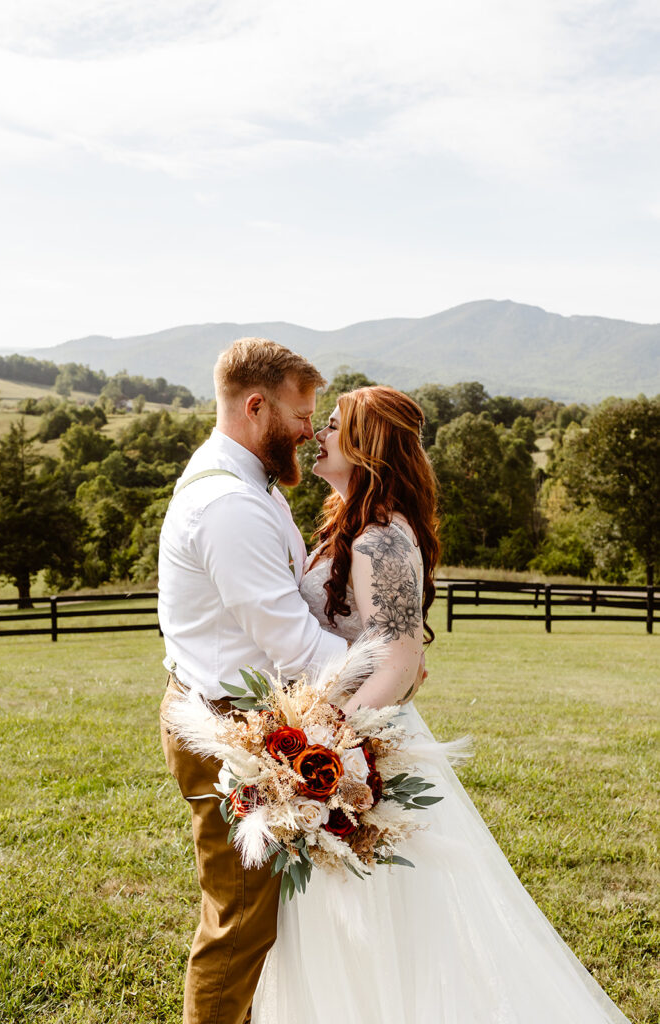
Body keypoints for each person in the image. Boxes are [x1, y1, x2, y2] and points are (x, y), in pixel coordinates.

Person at [251, 385, 631, 1024]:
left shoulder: (380, 539)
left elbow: (398, 661)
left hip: (363, 749)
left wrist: (330, 748)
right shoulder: (349, 523)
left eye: (335, 425)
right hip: (340, 739)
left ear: (367, 445)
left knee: (392, 916)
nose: (318, 433)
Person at [158, 337, 350, 1024]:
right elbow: (293, 644)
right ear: (255, 404)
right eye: (302, 414)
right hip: (224, 735)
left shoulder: (241, 482)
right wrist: (386, 671)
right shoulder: (230, 506)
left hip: (242, 719)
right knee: (238, 927)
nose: (309, 428)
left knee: (254, 918)